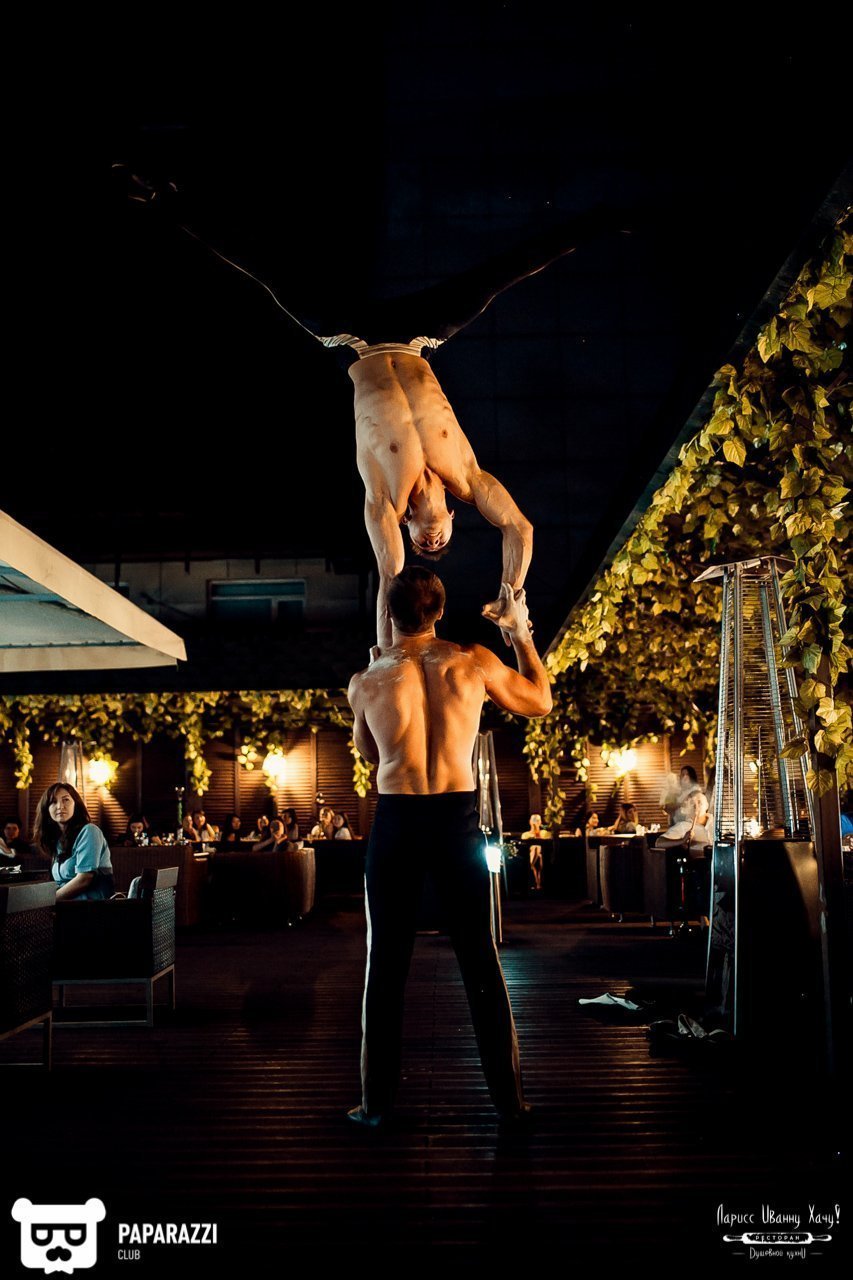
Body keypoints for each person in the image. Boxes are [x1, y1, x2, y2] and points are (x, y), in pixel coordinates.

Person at [119, 170, 635, 646]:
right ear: (453, 518)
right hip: (420, 336)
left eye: (423, 546)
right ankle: (602, 220)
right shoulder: (470, 478)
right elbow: (520, 529)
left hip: (353, 338)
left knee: (266, 270)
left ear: (408, 531)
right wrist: (510, 594)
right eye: (440, 543)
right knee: (504, 272)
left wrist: (389, 657)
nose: (431, 542)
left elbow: (391, 580)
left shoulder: (385, 499)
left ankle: (166, 200)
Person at [346, 566, 552, 1129]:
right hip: (456, 820)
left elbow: (370, 753)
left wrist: (377, 672)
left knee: (385, 964)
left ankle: (375, 1105)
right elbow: (540, 700)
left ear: (390, 616)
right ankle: (510, 1102)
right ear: (439, 611)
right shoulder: (472, 662)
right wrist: (519, 633)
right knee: (479, 957)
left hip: (397, 821)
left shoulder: (367, 680)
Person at [33, 783, 115, 901]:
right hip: (66, 905)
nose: (60, 806)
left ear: (75, 804)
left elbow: (84, 879)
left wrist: (47, 901)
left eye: (66, 800)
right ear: (47, 809)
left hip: (92, 907)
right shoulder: (58, 841)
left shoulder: (90, 831)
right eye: (53, 802)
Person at [521, 813, 550, 891]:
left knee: (537, 849)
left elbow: (548, 844)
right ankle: (538, 883)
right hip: (530, 855)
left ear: (540, 822)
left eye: (537, 820)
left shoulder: (544, 833)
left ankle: (531, 867)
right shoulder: (525, 834)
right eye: (534, 820)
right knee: (535, 849)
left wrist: (537, 833)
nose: (535, 822)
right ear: (530, 822)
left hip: (543, 855)